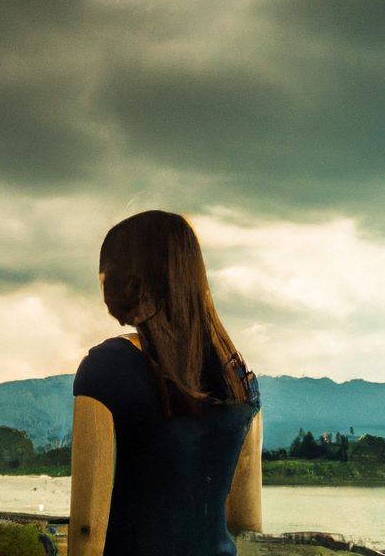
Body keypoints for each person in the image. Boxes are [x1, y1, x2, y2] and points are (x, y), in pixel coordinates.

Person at [69, 210, 262, 556]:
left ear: (131, 280)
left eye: (107, 273)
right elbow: (248, 525)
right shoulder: (240, 381)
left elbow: (87, 530)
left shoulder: (108, 369)